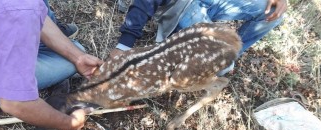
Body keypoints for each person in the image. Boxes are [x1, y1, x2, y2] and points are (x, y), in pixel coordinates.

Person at [0, 0, 103, 130]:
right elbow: (14, 103)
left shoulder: (21, 8)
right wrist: (68, 123)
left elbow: (32, 9)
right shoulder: (19, 9)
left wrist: (78, 57)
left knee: (43, 8)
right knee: (69, 60)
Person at [111, 0, 288, 75]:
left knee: (274, 13)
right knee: (221, 64)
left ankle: (230, 54)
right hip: (184, 5)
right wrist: (124, 46)